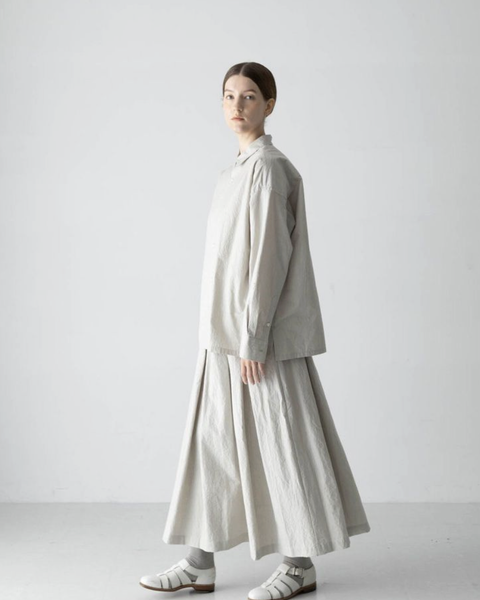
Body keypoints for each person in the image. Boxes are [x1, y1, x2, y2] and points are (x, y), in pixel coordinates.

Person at [139, 62, 371, 600]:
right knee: (213, 448)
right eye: (228, 96)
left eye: (248, 96)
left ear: (269, 104)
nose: (237, 106)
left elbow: (268, 260)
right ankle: (199, 563)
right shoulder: (234, 173)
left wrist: (253, 337)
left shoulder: (269, 169)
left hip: (256, 341)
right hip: (220, 340)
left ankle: (299, 565)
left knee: (282, 444)